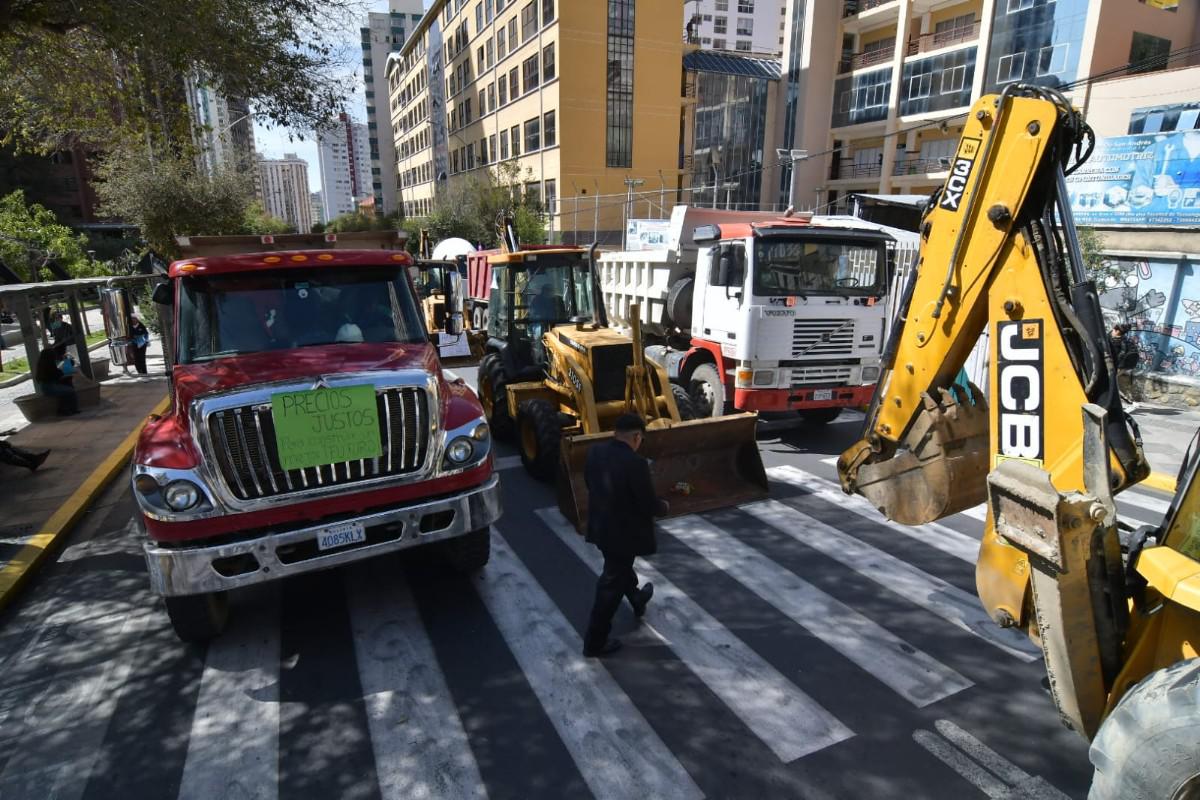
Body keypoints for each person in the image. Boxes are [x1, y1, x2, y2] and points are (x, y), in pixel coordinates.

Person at [582, 413, 668, 658]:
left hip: (600, 526)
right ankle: (594, 642)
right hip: (621, 533)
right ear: (636, 436)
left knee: (618, 567)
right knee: (611, 581)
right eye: (640, 440)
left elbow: (590, 483)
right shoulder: (636, 464)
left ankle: (637, 598)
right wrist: (664, 506)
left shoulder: (595, 452)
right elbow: (648, 504)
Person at [34, 343, 79, 416]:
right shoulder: (49, 366)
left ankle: (65, 409)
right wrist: (63, 369)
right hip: (50, 388)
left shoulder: (42, 365)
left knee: (66, 386)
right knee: (70, 391)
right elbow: (58, 374)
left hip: (47, 386)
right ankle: (70, 409)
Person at [1109, 322, 1140, 409]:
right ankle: (1127, 401)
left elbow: (1124, 356)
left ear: (1116, 331)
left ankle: (1128, 401)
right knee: (1111, 383)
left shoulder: (1123, 342)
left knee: (1112, 383)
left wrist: (1119, 367)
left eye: (1113, 330)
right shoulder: (1113, 338)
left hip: (1121, 365)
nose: (1111, 331)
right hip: (1118, 365)